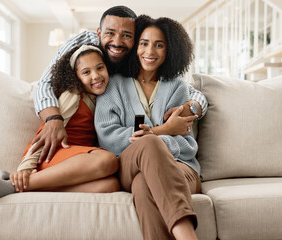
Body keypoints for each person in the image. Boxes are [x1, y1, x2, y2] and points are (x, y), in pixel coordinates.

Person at [32, 5, 208, 163]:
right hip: (85, 139)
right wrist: (53, 119)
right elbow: (45, 83)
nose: (117, 42)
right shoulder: (83, 44)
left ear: (135, 38)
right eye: (110, 33)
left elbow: (190, 91)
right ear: (99, 33)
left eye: (126, 35)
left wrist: (192, 107)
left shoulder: (137, 59)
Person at [95, 15, 203, 240]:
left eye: (159, 45)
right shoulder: (113, 84)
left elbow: (187, 146)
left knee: (144, 185)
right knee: (150, 144)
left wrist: (152, 137)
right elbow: (108, 137)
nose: (150, 51)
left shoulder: (177, 88)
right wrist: (159, 132)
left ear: (169, 50)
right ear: (135, 47)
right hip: (128, 164)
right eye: (144, 43)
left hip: (181, 168)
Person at [0, 44, 119, 200]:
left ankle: (24, 184)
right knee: (108, 160)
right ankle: (17, 183)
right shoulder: (73, 96)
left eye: (100, 68)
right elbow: (46, 134)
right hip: (53, 155)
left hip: (77, 161)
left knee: (111, 185)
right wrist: (25, 168)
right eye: (86, 72)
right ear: (76, 77)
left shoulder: (105, 98)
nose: (96, 76)